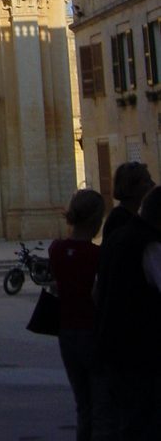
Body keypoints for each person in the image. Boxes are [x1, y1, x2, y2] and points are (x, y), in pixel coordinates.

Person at [94, 185, 161, 440]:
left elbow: (96, 293)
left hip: (113, 352)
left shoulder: (115, 240)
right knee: (144, 425)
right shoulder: (149, 245)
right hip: (142, 357)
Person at [48, 189, 112, 441]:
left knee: (83, 406)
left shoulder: (57, 250)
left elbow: (56, 285)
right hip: (93, 334)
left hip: (66, 334)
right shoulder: (98, 255)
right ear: (96, 220)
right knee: (104, 409)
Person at [101, 161, 154, 246]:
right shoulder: (120, 221)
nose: (152, 184)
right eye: (147, 181)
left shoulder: (130, 216)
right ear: (133, 187)